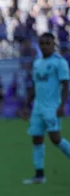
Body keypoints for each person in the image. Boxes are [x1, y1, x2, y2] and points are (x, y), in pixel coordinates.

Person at [23, 32, 70, 184]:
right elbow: (34, 86)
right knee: (36, 138)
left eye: (47, 43)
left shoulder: (59, 62)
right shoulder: (37, 63)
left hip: (51, 107)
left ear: (53, 45)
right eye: (42, 43)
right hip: (38, 107)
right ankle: (39, 175)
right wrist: (26, 104)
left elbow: (65, 85)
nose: (44, 46)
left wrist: (62, 105)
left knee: (55, 139)